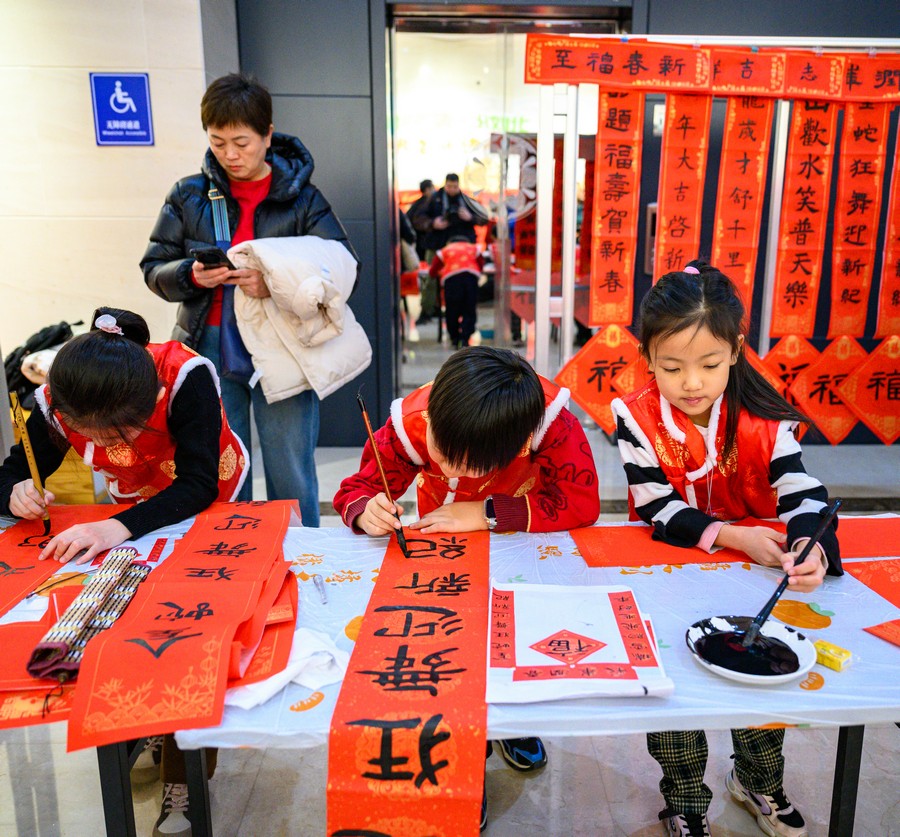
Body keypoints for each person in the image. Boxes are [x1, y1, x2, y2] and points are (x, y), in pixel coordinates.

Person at [611, 261, 842, 837]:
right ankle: (686, 801)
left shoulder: (764, 416)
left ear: (736, 351)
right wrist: (735, 535)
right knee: (675, 689)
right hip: (667, 566)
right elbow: (657, 506)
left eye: (709, 365)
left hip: (750, 575)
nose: (692, 383)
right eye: (672, 367)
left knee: (759, 673)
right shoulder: (635, 416)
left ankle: (757, 781)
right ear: (647, 358)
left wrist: (808, 544)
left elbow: (802, 490)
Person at [334, 346, 600, 831]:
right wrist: (366, 509)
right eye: (441, 453)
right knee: (454, 648)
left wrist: (486, 512)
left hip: (522, 536)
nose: (450, 469)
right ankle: (466, 763)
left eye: (468, 465)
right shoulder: (412, 422)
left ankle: (512, 724)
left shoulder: (549, 423)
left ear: (516, 447)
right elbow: (357, 488)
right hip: (446, 544)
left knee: (516, 640)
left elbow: (580, 501)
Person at [141, 72, 357, 526]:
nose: (231, 155)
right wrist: (191, 275)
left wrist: (275, 284)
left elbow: (342, 265)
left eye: (241, 142)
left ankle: (298, 553)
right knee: (225, 468)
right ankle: (233, 552)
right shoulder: (189, 194)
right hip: (209, 346)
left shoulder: (302, 197)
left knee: (290, 466)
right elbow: (154, 267)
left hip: (283, 343)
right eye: (218, 143)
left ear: (267, 135)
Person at [418, 173, 488, 321]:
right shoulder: (434, 199)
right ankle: (428, 310)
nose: (452, 189)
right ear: (445, 185)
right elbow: (417, 218)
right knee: (431, 279)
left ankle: (464, 314)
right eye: (449, 186)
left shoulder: (466, 201)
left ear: (458, 185)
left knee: (465, 281)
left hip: (463, 249)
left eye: (455, 187)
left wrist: (470, 218)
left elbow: (484, 218)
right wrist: (433, 223)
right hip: (438, 245)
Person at [429, 235, 484, 349]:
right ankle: (465, 338)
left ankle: (455, 338)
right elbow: (481, 263)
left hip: (452, 280)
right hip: (470, 279)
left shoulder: (445, 250)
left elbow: (433, 270)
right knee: (469, 309)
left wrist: (435, 274)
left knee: (452, 310)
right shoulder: (473, 248)